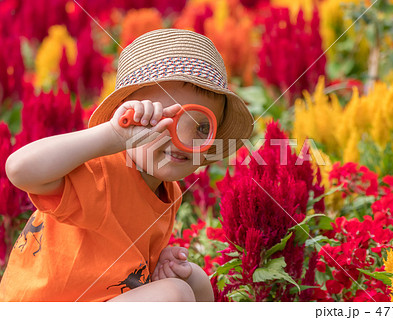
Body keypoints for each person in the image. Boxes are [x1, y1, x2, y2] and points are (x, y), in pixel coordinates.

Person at [0, 29, 254, 302]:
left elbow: (119, 254)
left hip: (97, 298)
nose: (183, 140)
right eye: (160, 118)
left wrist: (154, 263)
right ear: (129, 118)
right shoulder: (101, 171)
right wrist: (110, 135)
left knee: (194, 279)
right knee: (175, 294)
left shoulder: (169, 191)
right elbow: (18, 168)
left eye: (202, 127)